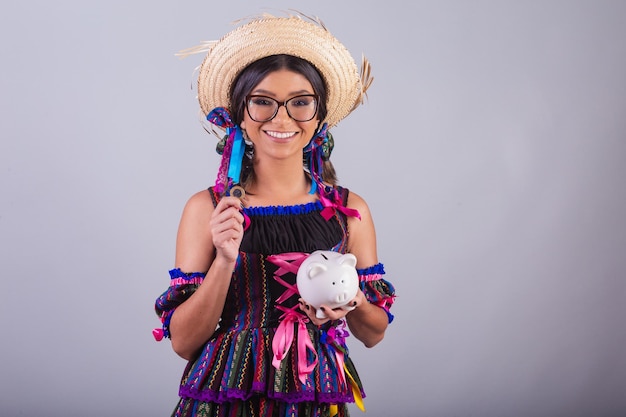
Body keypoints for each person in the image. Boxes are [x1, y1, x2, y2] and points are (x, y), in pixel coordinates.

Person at [153, 13, 396, 417]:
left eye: (300, 102)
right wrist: (224, 260)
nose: (281, 119)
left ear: (319, 117)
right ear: (240, 114)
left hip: (314, 395)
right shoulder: (208, 209)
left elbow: (373, 334)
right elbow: (182, 343)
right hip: (225, 396)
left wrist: (350, 299)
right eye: (262, 102)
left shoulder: (349, 210)